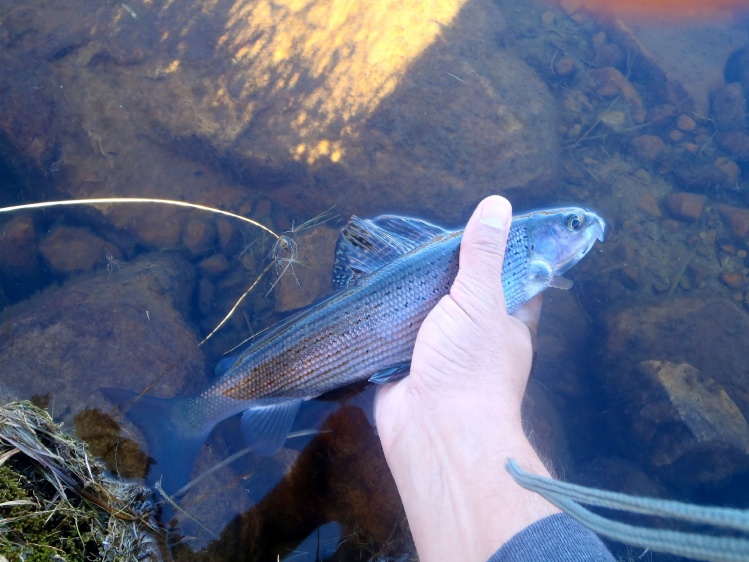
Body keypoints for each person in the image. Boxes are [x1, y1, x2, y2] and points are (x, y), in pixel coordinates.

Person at [374, 195, 615, 561]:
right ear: (537, 238)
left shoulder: (535, 266)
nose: (586, 228)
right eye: (573, 225)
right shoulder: (521, 249)